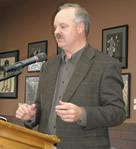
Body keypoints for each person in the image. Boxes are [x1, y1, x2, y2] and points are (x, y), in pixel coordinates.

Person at [16, 3, 126, 149]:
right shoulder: (48, 66)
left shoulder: (106, 64)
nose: (56, 31)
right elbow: (41, 108)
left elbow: (117, 112)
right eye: (55, 27)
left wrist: (83, 114)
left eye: (63, 26)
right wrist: (31, 115)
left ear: (80, 27)